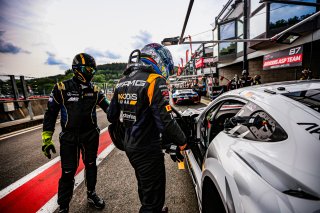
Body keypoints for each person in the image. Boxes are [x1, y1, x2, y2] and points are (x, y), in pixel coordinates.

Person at [107, 43, 187, 213]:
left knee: (145, 185)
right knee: (153, 201)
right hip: (148, 149)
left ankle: (152, 206)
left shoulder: (122, 81)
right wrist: (182, 141)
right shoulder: (153, 80)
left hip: (130, 146)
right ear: (157, 59)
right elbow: (165, 121)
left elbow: (111, 116)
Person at [41, 53, 109, 213]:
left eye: (93, 68)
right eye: (88, 68)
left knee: (91, 165)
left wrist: (125, 114)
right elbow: (50, 113)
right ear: (77, 69)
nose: (91, 71)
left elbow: (109, 109)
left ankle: (91, 193)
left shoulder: (96, 89)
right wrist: (46, 138)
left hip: (90, 134)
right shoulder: (61, 88)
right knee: (68, 171)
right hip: (69, 137)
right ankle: (63, 206)